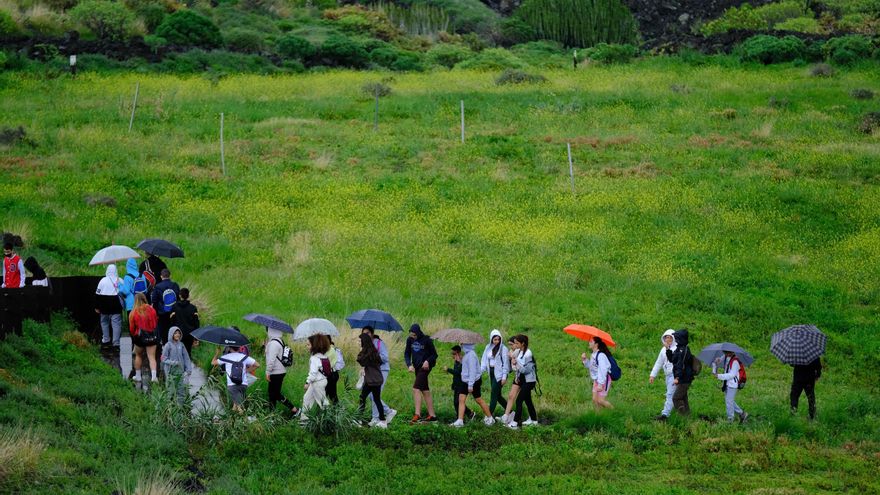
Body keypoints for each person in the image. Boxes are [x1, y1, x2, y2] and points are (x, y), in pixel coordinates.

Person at [451, 343, 495, 427]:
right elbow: (466, 366)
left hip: (473, 381)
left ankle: (490, 418)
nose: (461, 346)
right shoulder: (467, 354)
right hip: (466, 381)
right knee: (461, 399)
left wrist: (471, 385)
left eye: (462, 345)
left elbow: (472, 371)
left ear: (467, 345)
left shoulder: (471, 355)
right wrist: (460, 360)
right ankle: (460, 421)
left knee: (478, 399)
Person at [404, 323, 438, 424]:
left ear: (418, 333)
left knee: (416, 388)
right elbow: (407, 353)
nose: (413, 337)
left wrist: (427, 361)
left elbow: (434, 355)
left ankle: (417, 414)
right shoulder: (409, 340)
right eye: (411, 335)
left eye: (414, 335)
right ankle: (432, 416)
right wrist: (409, 365)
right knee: (425, 390)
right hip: (417, 367)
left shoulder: (427, 339)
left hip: (425, 367)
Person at [361, 326, 397, 424]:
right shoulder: (365, 344)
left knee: (374, 395)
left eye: (368, 333)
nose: (366, 335)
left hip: (382, 370)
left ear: (372, 333)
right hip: (371, 372)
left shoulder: (379, 343)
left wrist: (373, 355)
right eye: (364, 333)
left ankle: (376, 418)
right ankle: (387, 412)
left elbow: (385, 358)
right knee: (370, 395)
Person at [213, 345, 259, 413]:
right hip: (243, 385)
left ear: (229, 348)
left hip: (232, 385)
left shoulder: (225, 357)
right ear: (239, 348)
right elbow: (257, 365)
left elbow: (213, 362)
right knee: (235, 406)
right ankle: (232, 419)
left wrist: (217, 353)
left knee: (239, 407)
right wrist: (247, 370)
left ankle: (244, 420)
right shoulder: (244, 357)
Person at [265, 327, 298, 415]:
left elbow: (271, 360)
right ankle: (271, 415)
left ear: (271, 331)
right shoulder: (279, 341)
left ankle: (294, 409)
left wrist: (268, 372)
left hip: (275, 372)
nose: (267, 332)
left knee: (275, 394)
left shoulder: (273, 343)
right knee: (272, 394)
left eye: (268, 330)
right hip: (280, 371)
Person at [356, 333, 387, 428]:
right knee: (377, 399)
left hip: (371, 381)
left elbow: (360, 361)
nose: (358, 342)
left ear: (363, 342)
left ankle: (359, 419)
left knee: (362, 398)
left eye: (359, 341)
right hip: (377, 379)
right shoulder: (374, 351)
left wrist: (361, 351)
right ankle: (382, 420)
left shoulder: (367, 353)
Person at [507, 334, 537, 429]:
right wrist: (517, 376)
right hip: (523, 379)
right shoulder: (519, 352)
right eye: (514, 343)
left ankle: (515, 423)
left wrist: (516, 362)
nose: (515, 345)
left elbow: (526, 370)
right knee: (528, 401)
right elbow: (517, 368)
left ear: (522, 343)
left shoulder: (528, 354)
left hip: (529, 381)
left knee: (519, 400)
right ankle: (534, 420)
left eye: (517, 343)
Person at [129, 293, 159, 383]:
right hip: (151, 336)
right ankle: (154, 377)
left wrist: (135, 335)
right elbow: (156, 322)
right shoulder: (151, 309)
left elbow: (132, 329)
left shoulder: (133, 312)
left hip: (139, 338)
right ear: (144, 299)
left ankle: (138, 376)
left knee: (138, 355)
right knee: (151, 357)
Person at [301, 334, 331, 422]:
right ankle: (304, 419)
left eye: (308, 345)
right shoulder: (323, 356)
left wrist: (307, 383)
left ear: (315, 346)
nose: (307, 346)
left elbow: (313, 373)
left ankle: (330, 419)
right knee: (307, 398)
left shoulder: (314, 358)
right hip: (320, 381)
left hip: (317, 382)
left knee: (323, 402)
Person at [481, 329, 510, 417]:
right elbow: (484, 361)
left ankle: (489, 416)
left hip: (500, 374)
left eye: (498, 339)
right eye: (495, 339)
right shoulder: (488, 347)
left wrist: (504, 377)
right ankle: (511, 412)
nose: (497, 341)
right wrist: (479, 373)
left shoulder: (503, 349)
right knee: (498, 396)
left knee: (493, 394)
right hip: (492, 373)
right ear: (491, 339)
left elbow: (506, 363)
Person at [649, 329, 677, 421]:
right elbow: (659, 363)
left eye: (670, 337)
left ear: (673, 339)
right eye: (666, 337)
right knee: (671, 393)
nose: (668, 339)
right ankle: (677, 411)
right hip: (667, 375)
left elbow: (674, 360)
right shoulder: (663, 350)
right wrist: (653, 375)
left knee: (670, 394)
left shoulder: (676, 348)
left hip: (674, 374)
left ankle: (665, 414)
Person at [713, 351, 748, 423]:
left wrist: (719, 376)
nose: (725, 354)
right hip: (727, 383)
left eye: (726, 353)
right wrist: (718, 360)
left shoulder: (735, 362)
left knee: (729, 401)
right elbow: (721, 359)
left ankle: (730, 420)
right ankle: (742, 414)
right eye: (724, 352)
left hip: (733, 384)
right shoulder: (726, 356)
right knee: (729, 400)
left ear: (731, 352)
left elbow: (732, 375)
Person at [161, 326, 193, 405]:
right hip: (170, 373)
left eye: (179, 333)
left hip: (180, 373)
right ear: (171, 334)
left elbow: (186, 358)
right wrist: (172, 362)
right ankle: (169, 409)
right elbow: (163, 358)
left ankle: (180, 408)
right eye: (175, 333)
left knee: (181, 391)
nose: (177, 335)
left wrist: (188, 369)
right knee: (170, 391)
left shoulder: (181, 345)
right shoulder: (168, 345)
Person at [95, 264, 123, 349]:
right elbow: (123, 293)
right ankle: (116, 343)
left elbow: (97, 294)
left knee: (104, 323)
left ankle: (106, 341)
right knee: (116, 324)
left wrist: (97, 307)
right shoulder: (120, 280)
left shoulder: (102, 280)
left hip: (104, 305)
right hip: (116, 305)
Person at [668, 329, 695, 416]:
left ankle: (682, 416)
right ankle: (687, 417)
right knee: (683, 398)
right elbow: (672, 360)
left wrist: (677, 378)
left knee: (676, 398)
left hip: (685, 378)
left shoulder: (684, 350)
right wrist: (668, 349)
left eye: (676, 337)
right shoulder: (679, 348)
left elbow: (681, 364)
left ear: (681, 338)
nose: (675, 339)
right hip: (682, 378)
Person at [151, 269, 179, 345]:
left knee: (163, 330)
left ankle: (164, 345)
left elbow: (154, 301)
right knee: (173, 329)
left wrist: (156, 312)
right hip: (173, 312)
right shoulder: (175, 285)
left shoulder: (157, 286)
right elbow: (178, 298)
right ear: (170, 276)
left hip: (162, 312)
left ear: (161, 276)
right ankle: (174, 344)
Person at [585, 337, 614, 411]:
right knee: (595, 399)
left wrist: (600, 384)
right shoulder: (593, 355)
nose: (589, 343)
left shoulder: (601, 355)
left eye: (591, 341)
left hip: (603, 379)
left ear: (596, 344)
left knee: (600, 400)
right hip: (597, 380)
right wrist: (584, 360)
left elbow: (603, 370)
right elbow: (591, 367)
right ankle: (598, 416)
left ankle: (614, 411)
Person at [446, 346, 474, 420]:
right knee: (456, 402)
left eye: (453, 353)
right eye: (452, 353)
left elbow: (459, 373)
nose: (452, 355)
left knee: (457, 402)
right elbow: (456, 376)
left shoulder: (463, 361)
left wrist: (448, 369)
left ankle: (462, 416)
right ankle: (466, 414)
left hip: (462, 385)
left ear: (458, 353)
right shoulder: (456, 362)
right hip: (456, 385)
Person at [499, 335, 522, 424]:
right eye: (509, 345)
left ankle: (518, 419)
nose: (511, 347)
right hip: (517, 377)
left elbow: (517, 365)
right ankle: (506, 416)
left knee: (524, 400)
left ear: (517, 344)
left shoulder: (518, 352)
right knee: (511, 396)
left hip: (523, 377)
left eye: (512, 344)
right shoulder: (512, 352)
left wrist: (511, 357)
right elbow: (511, 369)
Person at [171, 288, 199, 355]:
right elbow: (196, 323)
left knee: (178, 352)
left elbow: (172, 321)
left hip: (178, 333)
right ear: (188, 296)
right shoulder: (193, 308)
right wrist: (196, 337)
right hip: (189, 334)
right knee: (188, 352)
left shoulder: (174, 307)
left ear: (180, 295)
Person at [326, 337, 344, 405]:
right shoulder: (321, 351)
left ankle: (335, 411)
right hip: (325, 375)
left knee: (331, 395)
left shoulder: (335, 350)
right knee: (329, 395)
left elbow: (341, 364)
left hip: (332, 374)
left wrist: (331, 365)